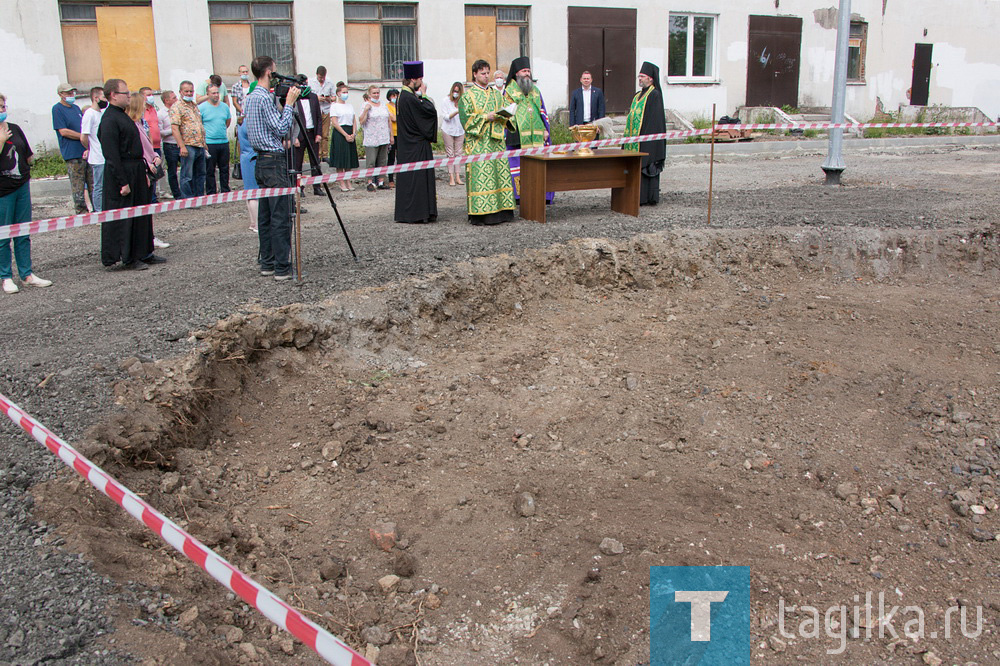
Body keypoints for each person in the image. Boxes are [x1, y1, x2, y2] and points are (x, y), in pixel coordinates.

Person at [243, 54, 300, 281]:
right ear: (269, 72)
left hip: (261, 160)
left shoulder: (251, 97)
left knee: (266, 216)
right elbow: (280, 128)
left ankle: (267, 262)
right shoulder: (264, 98)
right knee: (280, 216)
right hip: (273, 160)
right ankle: (282, 267)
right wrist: (289, 105)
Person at [97, 79, 160, 270]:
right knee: (127, 217)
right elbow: (111, 155)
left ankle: (144, 251)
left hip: (136, 170)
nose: (128, 96)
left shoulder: (122, 116)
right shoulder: (109, 120)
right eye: (125, 93)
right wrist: (122, 182)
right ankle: (129, 257)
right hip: (123, 173)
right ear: (113, 95)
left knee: (142, 213)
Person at [0, 93, 53, 294]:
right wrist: (2, 140)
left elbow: (28, 154)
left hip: (21, 185)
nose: (2, 110)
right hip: (3, 192)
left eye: (4, 106)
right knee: (3, 234)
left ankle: (27, 274)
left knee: (22, 231)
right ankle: (5, 276)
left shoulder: (14, 128)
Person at [459, 60, 515, 226]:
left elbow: (508, 114)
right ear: (475, 74)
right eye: (482, 73)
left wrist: (508, 113)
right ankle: (481, 215)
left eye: (487, 72)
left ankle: (503, 212)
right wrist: (485, 117)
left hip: (496, 142)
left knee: (499, 175)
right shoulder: (467, 96)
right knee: (482, 178)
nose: (486, 76)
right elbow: (466, 120)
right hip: (478, 144)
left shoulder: (497, 94)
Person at [502, 57, 553, 203]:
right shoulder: (509, 92)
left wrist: (545, 129)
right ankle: (519, 196)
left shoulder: (535, 91)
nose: (527, 74)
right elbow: (506, 114)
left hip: (537, 137)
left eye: (529, 71)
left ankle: (541, 195)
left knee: (538, 165)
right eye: (524, 71)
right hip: (516, 137)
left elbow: (542, 112)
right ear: (517, 73)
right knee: (517, 167)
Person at [393, 61, 437, 224]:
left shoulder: (403, 96)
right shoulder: (409, 98)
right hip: (416, 146)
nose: (422, 82)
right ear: (413, 79)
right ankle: (417, 213)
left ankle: (416, 212)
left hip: (408, 145)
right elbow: (429, 112)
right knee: (416, 179)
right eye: (420, 79)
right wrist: (424, 95)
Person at [126, 92, 168, 255]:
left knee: (149, 205)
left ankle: (149, 237)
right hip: (144, 169)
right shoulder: (132, 126)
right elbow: (139, 148)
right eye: (142, 103)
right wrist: (147, 163)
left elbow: (148, 144)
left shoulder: (140, 123)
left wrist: (155, 155)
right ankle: (146, 240)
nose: (145, 106)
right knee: (144, 205)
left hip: (151, 163)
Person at [624, 61, 666, 206]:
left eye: (642, 76)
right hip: (634, 140)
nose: (640, 79)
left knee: (646, 167)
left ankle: (647, 197)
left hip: (648, 141)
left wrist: (645, 140)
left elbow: (654, 121)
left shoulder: (654, 95)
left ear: (650, 78)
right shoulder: (637, 96)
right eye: (639, 76)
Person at [52, 83, 89, 214]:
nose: (71, 95)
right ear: (61, 94)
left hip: (84, 150)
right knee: (78, 184)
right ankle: (81, 210)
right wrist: (81, 136)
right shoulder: (57, 109)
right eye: (68, 93)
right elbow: (63, 131)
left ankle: (96, 209)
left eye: (72, 92)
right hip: (72, 153)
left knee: (92, 182)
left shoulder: (76, 108)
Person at [170, 80, 207, 198]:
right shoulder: (177, 107)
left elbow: (199, 124)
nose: (189, 93)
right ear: (180, 92)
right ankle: (187, 198)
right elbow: (175, 128)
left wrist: (204, 142)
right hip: (188, 145)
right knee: (187, 175)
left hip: (199, 144)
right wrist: (182, 146)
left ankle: (199, 197)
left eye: (191, 91)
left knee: (200, 174)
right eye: (186, 91)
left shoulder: (194, 105)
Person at [291, 77, 322, 197]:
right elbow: (291, 119)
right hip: (299, 134)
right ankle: (300, 188)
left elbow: (319, 117)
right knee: (298, 163)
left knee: (315, 162)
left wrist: (318, 133)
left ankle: (317, 187)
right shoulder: (294, 98)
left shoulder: (313, 97)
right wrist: (295, 137)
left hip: (312, 133)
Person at [199, 85, 232, 195]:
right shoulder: (202, 107)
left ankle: (225, 190)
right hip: (209, 143)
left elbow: (228, 121)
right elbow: (199, 124)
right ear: (207, 94)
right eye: (213, 93)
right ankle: (211, 192)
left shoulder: (224, 107)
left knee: (225, 168)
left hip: (223, 141)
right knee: (210, 170)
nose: (216, 95)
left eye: (217, 93)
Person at [327, 81, 358, 193]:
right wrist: (345, 135)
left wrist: (353, 134)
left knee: (349, 159)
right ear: (338, 94)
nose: (346, 94)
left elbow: (354, 121)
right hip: (340, 133)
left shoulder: (350, 106)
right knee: (341, 160)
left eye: (347, 92)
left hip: (350, 131)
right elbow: (335, 123)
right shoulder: (334, 106)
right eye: (344, 92)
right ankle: (341, 182)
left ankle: (348, 181)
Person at [81, 86, 108, 213]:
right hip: (97, 157)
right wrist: (90, 148)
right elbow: (84, 137)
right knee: (99, 186)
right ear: (96, 98)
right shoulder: (89, 114)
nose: (105, 100)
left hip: (105, 155)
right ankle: (99, 211)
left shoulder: (102, 113)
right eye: (103, 97)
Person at [359, 84, 391, 191]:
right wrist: (366, 111)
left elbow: (388, 120)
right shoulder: (366, 105)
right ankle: (370, 182)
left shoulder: (383, 105)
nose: (376, 95)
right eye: (374, 93)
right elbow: (361, 121)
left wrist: (391, 135)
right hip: (371, 137)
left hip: (383, 136)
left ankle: (381, 181)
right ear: (369, 94)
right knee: (371, 161)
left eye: (378, 93)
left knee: (382, 160)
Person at [569, 71, 614, 139]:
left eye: (588, 78)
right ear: (581, 80)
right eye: (584, 78)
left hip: (594, 125)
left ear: (591, 80)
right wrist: (572, 126)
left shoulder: (598, 92)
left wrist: (599, 125)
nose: (586, 80)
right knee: (581, 148)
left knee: (593, 147)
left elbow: (601, 109)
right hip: (580, 125)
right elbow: (572, 110)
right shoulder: (575, 93)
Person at [139, 87, 163, 205]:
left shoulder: (154, 109)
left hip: (155, 146)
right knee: (149, 173)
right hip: (145, 151)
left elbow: (151, 131)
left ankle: (154, 195)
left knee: (156, 173)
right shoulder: (141, 113)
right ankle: (150, 199)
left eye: (152, 94)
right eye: (148, 94)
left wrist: (153, 149)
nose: (151, 97)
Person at [440, 81, 466, 187]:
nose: (456, 93)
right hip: (448, 129)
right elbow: (445, 116)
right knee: (450, 153)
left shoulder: (463, 101)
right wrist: (456, 112)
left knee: (459, 153)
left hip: (460, 129)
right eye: (454, 91)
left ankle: (458, 176)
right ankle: (451, 177)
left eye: (458, 92)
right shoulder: (446, 101)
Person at [236, 119, 259, 232]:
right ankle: (256, 223)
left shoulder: (241, 122)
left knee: (249, 191)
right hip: (253, 157)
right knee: (255, 193)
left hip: (245, 157)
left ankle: (253, 222)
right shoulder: (251, 123)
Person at [158, 90, 181, 199]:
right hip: (170, 145)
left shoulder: (179, 110)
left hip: (181, 144)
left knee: (187, 169)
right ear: (167, 100)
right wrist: (173, 130)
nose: (176, 100)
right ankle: (176, 194)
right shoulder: (161, 114)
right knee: (172, 171)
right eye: (174, 98)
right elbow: (160, 132)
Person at [310, 65, 336, 160]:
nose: (322, 79)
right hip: (315, 111)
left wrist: (327, 98)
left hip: (326, 110)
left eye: (323, 77)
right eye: (320, 77)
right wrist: (317, 98)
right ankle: (317, 154)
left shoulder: (329, 82)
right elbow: (307, 95)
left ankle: (325, 155)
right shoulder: (311, 82)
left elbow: (334, 97)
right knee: (317, 134)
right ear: (317, 75)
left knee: (325, 134)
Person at [386, 88, 399, 187]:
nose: (395, 98)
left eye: (396, 95)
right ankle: (390, 179)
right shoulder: (387, 107)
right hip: (392, 133)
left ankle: (400, 178)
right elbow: (393, 118)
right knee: (391, 158)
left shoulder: (400, 106)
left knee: (401, 157)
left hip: (401, 134)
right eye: (393, 96)